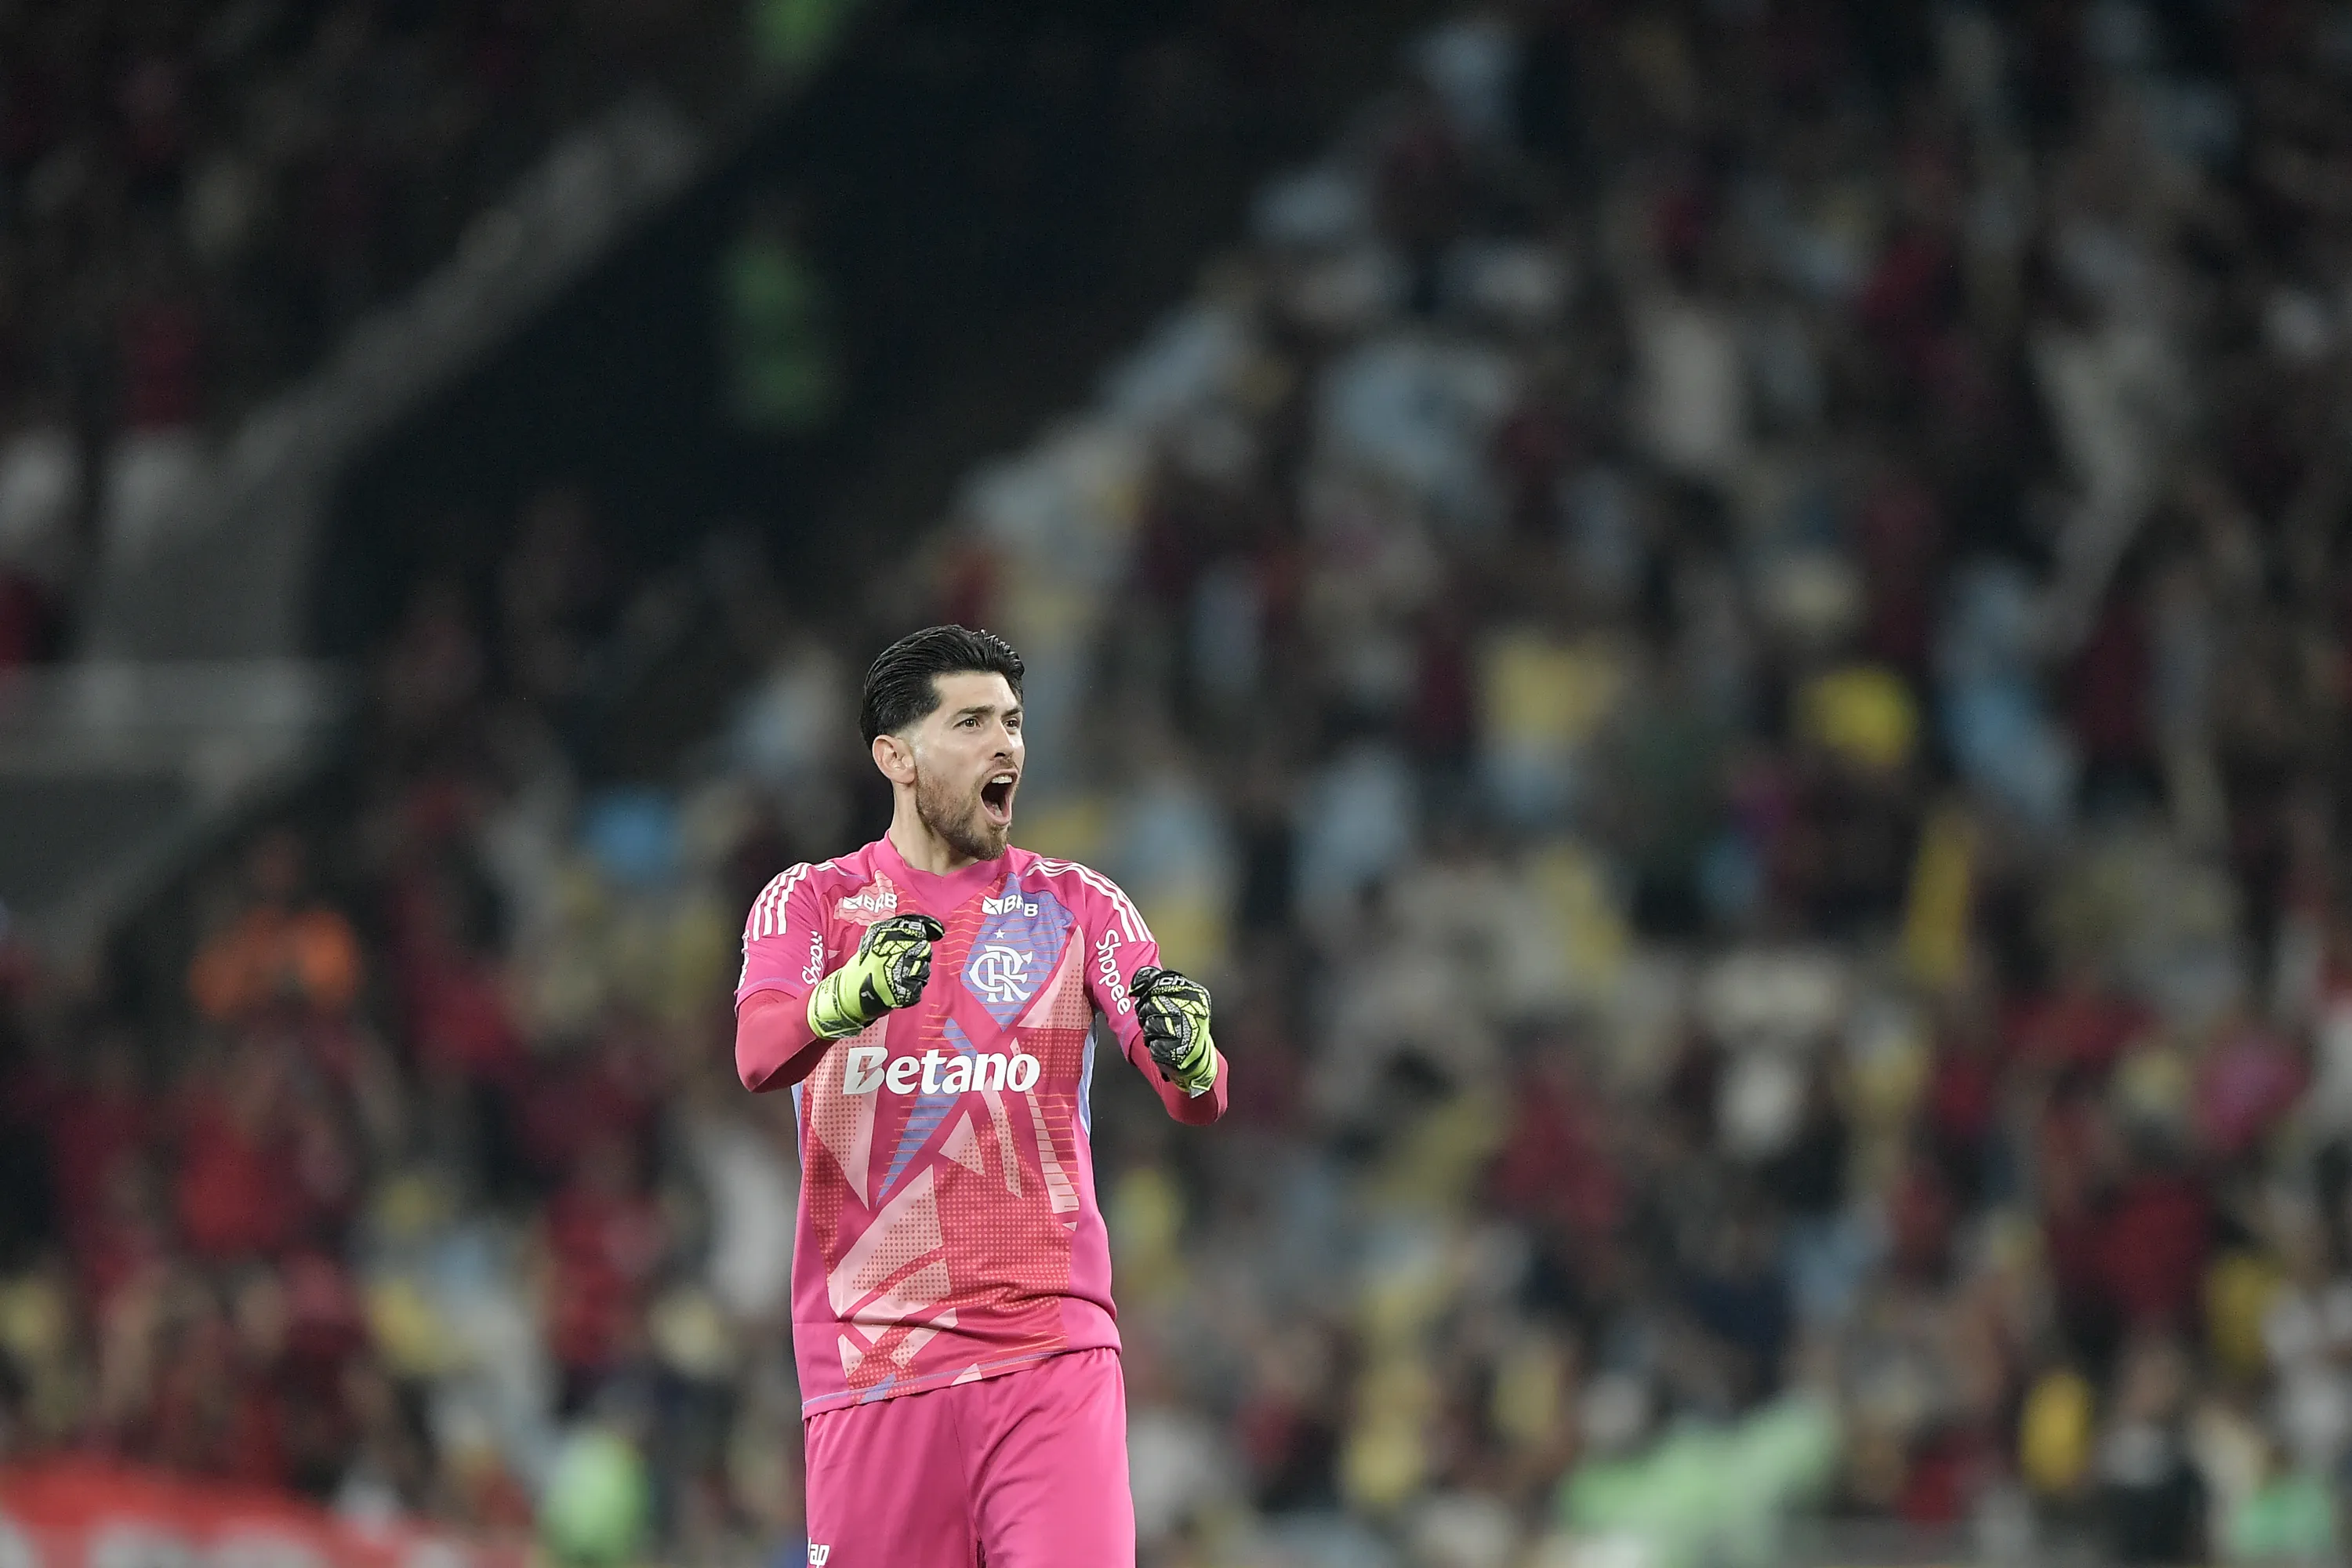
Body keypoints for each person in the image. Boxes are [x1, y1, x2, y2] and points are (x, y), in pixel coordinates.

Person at [732, 624, 1229, 1566]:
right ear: (897, 756)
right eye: (972, 722)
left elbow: (1188, 1089)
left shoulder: (1078, 903)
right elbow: (759, 1051)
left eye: (1013, 722)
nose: (1007, 745)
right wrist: (852, 994)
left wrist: (1195, 1055)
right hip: (870, 1371)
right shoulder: (809, 902)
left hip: (1049, 1358)